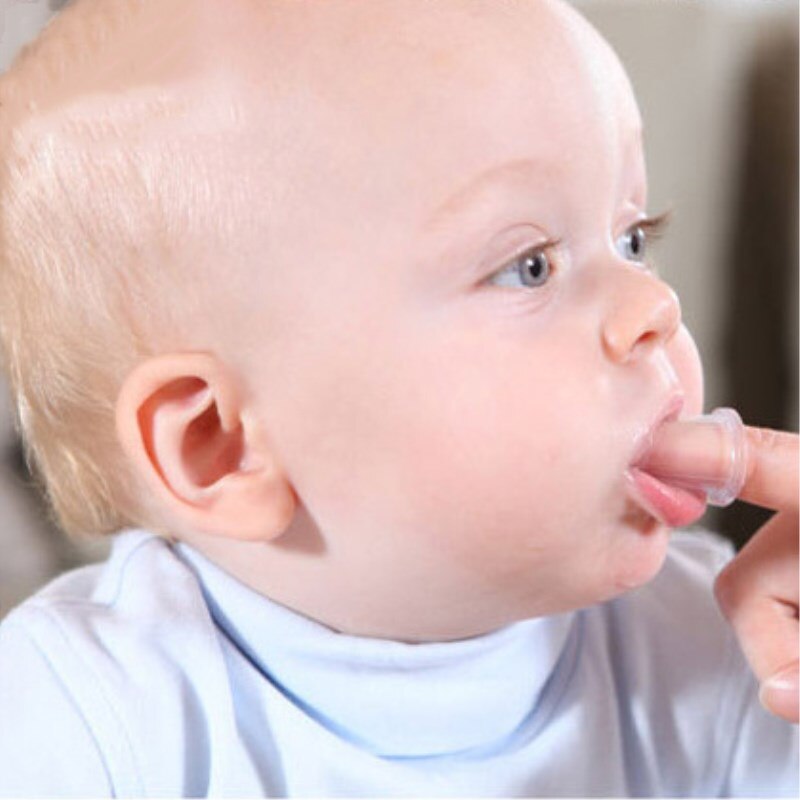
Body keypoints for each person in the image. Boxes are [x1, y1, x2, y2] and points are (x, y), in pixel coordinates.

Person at [0, 0, 796, 795]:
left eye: (632, 238)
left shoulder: (720, 648)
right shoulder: (80, 722)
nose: (653, 311)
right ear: (221, 444)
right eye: (529, 265)